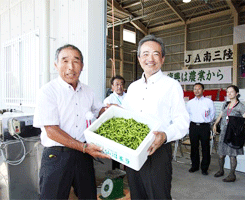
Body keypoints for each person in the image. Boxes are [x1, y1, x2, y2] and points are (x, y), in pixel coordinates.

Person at [33, 44, 110, 200]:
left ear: (82, 66)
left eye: (76, 61)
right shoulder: (48, 91)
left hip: (83, 156)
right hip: (57, 155)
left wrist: (110, 111)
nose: (71, 67)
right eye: (65, 61)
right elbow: (52, 131)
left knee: (88, 196)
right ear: (56, 65)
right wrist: (83, 147)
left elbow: (99, 110)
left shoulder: (88, 91)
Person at [122, 35, 189, 199]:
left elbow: (182, 121)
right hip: (133, 151)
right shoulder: (133, 88)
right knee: (137, 195)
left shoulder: (171, 86)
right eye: (145, 54)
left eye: (155, 54)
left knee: (159, 195)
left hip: (158, 151)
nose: (150, 59)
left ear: (163, 58)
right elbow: (125, 118)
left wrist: (165, 136)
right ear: (139, 58)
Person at [213, 85, 245, 182]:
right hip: (223, 132)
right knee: (221, 154)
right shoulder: (225, 104)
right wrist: (215, 124)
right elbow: (220, 115)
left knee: (232, 155)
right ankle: (221, 170)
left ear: (236, 93)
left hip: (233, 134)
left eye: (231, 92)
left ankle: (232, 175)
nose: (229, 94)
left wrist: (235, 120)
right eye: (227, 92)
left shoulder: (240, 106)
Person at [186, 83, 215, 175]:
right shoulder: (190, 103)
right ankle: (194, 166)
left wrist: (206, 121)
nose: (197, 90)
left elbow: (212, 114)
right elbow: (187, 115)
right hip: (193, 126)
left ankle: (204, 168)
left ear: (203, 90)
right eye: (195, 89)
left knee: (205, 147)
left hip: (204, 127)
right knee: (194, 147)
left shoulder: (208, 101)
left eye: (199, 89)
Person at [103, 75, 126, 170]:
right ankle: (116, 175)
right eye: (116, 84)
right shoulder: (108, 100)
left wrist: (117, 107)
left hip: (127, 127)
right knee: (116, 155)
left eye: (121, 84)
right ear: (112, 87)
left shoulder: (129, 97)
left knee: (127, 152)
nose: (119, 87)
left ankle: (128, 173)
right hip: (115, 129)